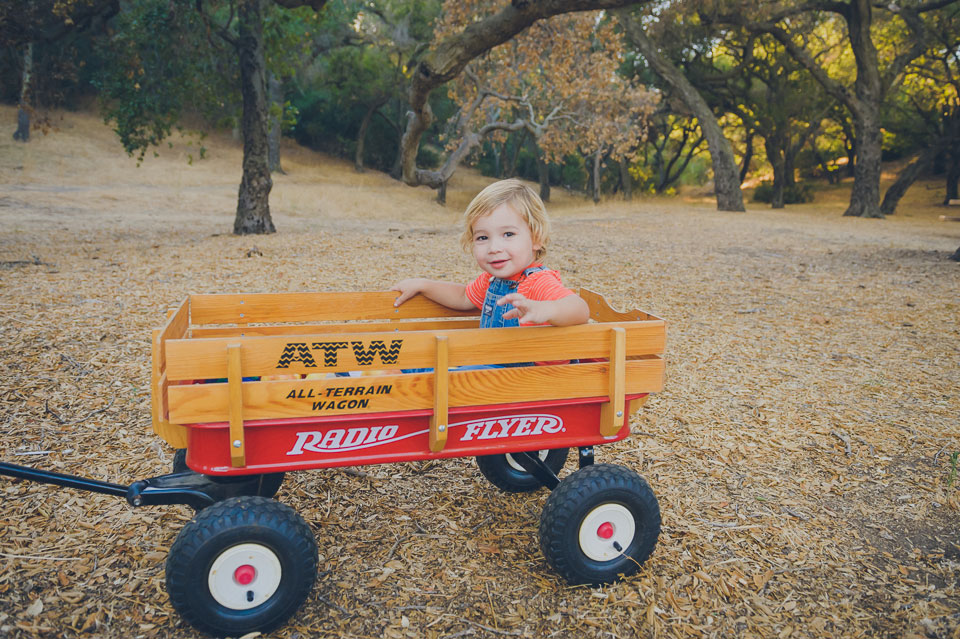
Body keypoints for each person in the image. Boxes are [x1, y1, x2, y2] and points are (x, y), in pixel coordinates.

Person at [392, 179, 589, 331]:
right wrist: (423, 285)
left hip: (525, 377)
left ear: (536, 238)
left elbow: (580, 309)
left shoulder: (537, 282)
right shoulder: (491, 281)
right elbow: (462, 296)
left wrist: (546, 309)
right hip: (492, 368)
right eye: (482, 237)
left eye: (508, 234)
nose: (494, 247)